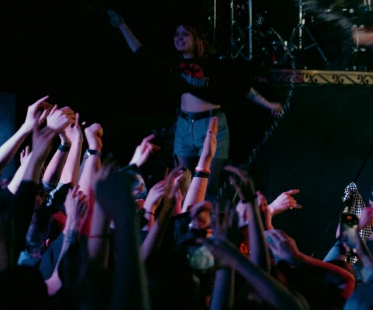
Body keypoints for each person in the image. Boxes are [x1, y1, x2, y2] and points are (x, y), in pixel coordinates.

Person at [108, 11, 283, 199]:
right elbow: (141, 52)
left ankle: (208, 228)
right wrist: (122, 26)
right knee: (181, 183)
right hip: (184, 126)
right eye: (177, 34)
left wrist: (269, 105)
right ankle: (183, 226)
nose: (179, 38)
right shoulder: (173, 64)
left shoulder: (213, 65)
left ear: (197, 38)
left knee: (208, 188)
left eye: (185, 34)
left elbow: (242, 88)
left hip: (211, 126)